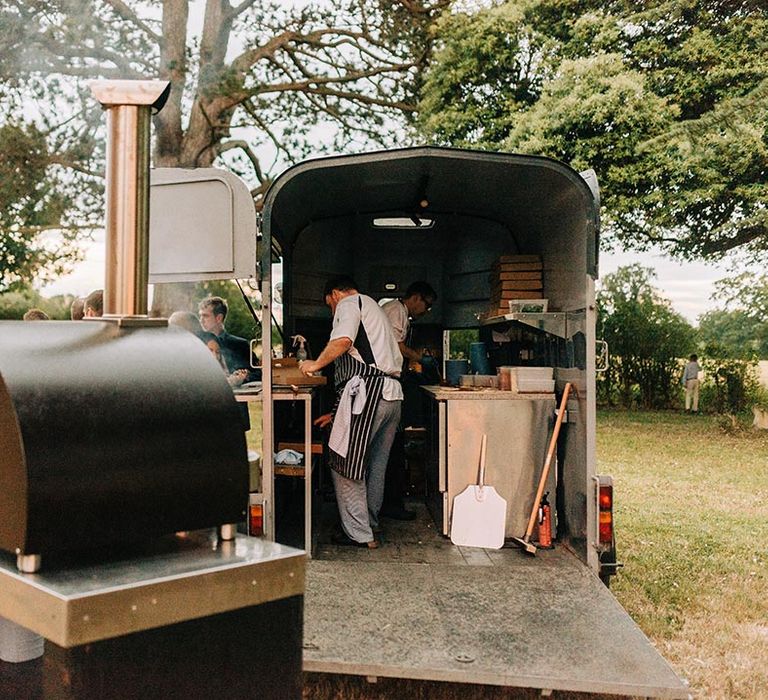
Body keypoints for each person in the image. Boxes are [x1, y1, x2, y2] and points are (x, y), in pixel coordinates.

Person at [300, 275, 403, 548]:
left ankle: (359, 533)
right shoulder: (374, 309)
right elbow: (370, 359)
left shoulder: (349, 303)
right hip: (391, 396)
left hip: (369, 393)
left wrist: (314, 365)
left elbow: (343, 341)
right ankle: (369, 523)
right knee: (374, 465)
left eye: (329, 306)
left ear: (335, 294)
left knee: (344, 461)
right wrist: (337, 414)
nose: (332, 312)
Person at [380, 281, 437, 520]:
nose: (426, 311)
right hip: (385, 386)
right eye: (426, 305)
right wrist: (419, 357)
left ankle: (390, 501)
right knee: (391, 447)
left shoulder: (401, 313)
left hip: (390, 385)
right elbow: (397, 345)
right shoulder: (395, 310)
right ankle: (390, 503)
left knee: (393, 446)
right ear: (415, 297)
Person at [198, 296, 254, 377]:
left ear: (219, 318)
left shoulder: (239, 345)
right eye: (200, 316)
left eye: (205, 316)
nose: (201, 320)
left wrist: (243, 377)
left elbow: (258, 373)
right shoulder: (197, 344)